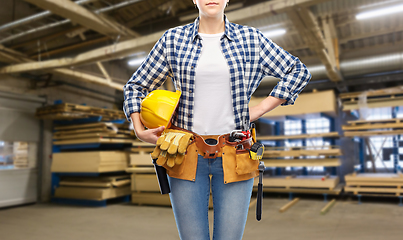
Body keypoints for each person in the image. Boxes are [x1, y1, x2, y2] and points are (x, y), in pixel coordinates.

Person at [123, 0, 311, 239]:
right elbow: (135, 86)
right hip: (184, 154)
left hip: (236, 153)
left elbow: (298, 71)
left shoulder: (251, 39)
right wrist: (139, 129)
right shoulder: (173, 40)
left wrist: (261, 108)